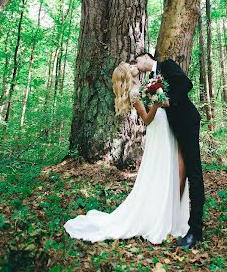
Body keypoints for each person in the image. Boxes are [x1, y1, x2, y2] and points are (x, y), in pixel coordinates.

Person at [63, 61, 190, 245]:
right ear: (126, 74)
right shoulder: (134, 93)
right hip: (157, 128)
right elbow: (146, 119)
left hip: (165, 124)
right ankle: (161, 216)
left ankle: (172, 213)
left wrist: (163, 100)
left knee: (169, 168)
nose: (133, 65)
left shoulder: (145, 84)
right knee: (162, 168)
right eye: (129, 65)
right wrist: (156, 104)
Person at [135, 52, 205, 250]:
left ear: (146, 57)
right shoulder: (150, 80)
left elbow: (186, 84)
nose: (136, 64)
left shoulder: (166, 65)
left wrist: (169, 100)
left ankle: (195, 230)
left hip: (187, 122)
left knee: (194, 172)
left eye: (137, 61)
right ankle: (173, 217)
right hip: (172, 129)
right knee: (177, 173)